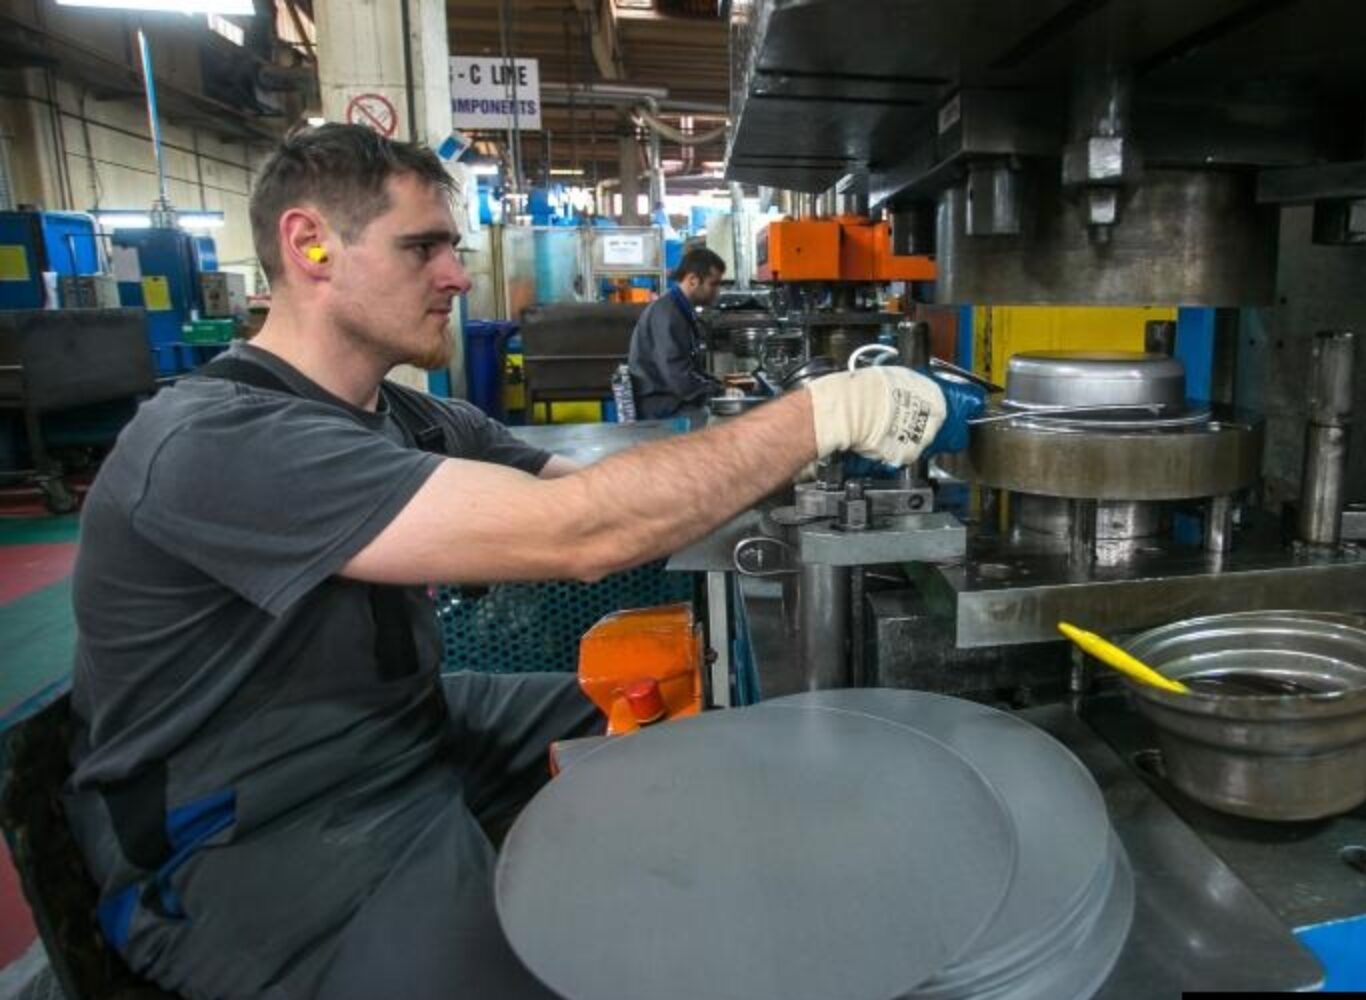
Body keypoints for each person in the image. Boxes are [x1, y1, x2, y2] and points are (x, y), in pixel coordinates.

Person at [61, 123, 950, 1000]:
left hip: (404, 728)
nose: (457, 276)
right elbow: (578, 532)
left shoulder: (414, 420)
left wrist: (797, 470)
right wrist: (828, 413)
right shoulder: (216, 441)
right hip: (248, 827)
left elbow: (606, 498)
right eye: (423, 248)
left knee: (688, 712)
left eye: (452, 248)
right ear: (310, 245)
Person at [626, 246, 725, 418]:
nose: (718, 291)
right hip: (659, 403)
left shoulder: (680, 309)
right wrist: (718, 392)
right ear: (693, 280)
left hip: (670, 396)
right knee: (717, 421)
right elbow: (677, 374)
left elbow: (688, 367)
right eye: (714, 284)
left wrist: (717, 385)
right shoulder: (668, 314)